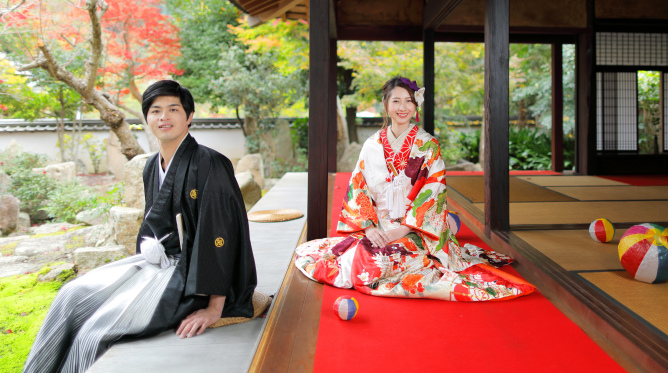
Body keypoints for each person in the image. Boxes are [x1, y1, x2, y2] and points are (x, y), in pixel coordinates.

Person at [24, 80, 258, 373]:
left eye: (173, 109)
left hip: (195, 275)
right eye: (156, 111)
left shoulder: (210, 163)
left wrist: (214, 307)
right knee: (71, 295)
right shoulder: (151, 166)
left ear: (189, 116)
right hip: (159, 263)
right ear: (146, 118)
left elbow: (220, 234)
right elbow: (153, 225)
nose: (164, 117)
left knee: (94, 332)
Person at [295, 76, 534, 301]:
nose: (403, 107)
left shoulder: (428, 145)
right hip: (378, 224)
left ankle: (446, 227)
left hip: (417, 228)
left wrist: (402, 229)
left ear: (416, 105)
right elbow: (357, 188)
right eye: (396, 100)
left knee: (382, 259)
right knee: (354, 255)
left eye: (408, 101)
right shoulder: (371, 145)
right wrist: (368, 229)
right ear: (385, 105)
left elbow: (433, 194)